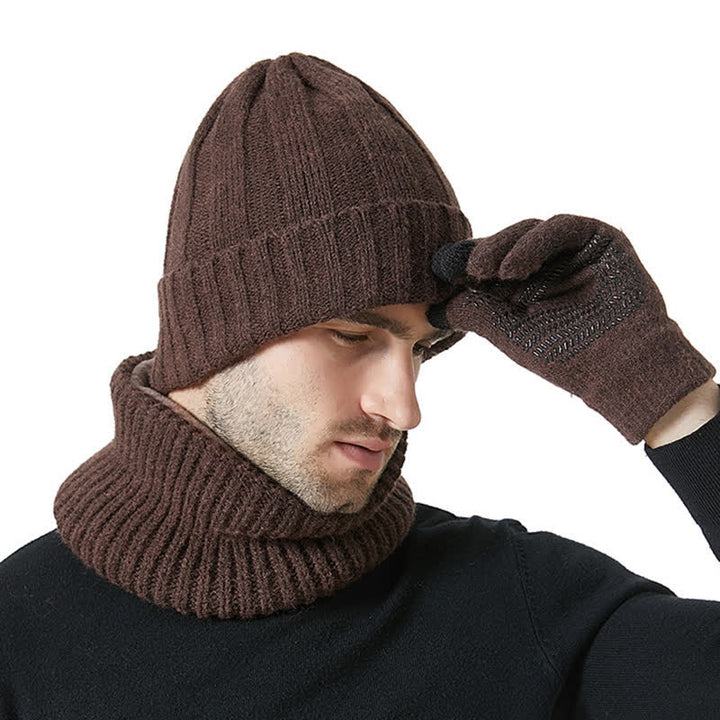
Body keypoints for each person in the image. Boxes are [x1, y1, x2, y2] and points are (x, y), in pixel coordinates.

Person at [1, 51, 719, 719]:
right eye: (352, 336)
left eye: (421, 349)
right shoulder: (18, 633)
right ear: (216, 335)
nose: (403, 407)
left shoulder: (517, 603)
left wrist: (667, 395)